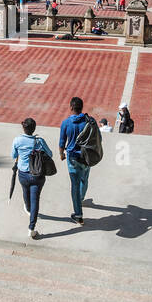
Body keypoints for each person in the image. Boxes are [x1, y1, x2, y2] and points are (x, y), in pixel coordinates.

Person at [12, 117, 52, 239]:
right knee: (35, 199)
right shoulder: (39, 141)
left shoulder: (17, 140)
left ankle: (28, 208)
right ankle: (31, 228)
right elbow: (50, 154)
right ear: (34, 129)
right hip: (37, 175)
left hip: (23, 174)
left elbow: (13, 155)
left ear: (23, 128)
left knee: (25, 192)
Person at [59, 96, 93, 225]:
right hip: (87, 157)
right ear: (81, 108)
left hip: (73, 158)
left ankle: (78, 214)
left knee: (74, 184)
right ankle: (82, 197)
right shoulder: (89, 121)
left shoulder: (66, 123)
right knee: (84, 179)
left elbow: (62, 142)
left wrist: (61, 154)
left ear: (71, 107)